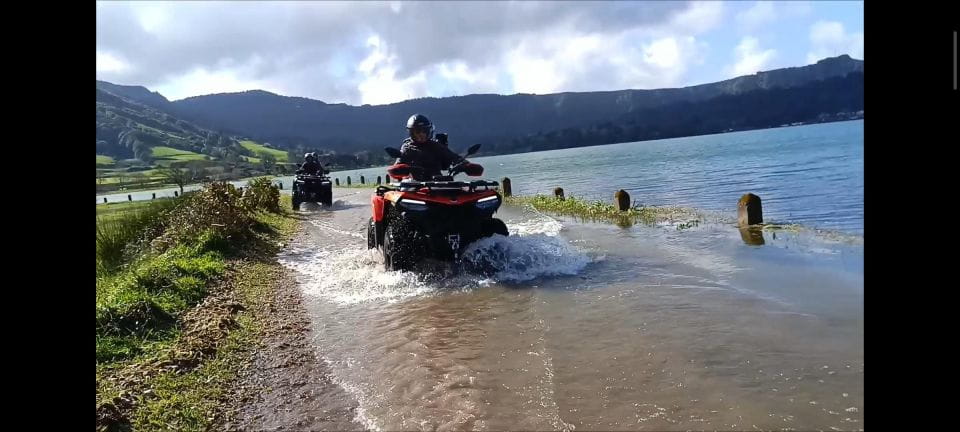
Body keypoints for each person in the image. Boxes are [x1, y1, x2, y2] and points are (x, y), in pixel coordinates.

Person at [395, 114, 465, 180]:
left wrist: (465, 164)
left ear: (429, 131)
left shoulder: (436, 146)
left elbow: (453, 157)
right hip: (413, 186)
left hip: (436, 185)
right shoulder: (407, 147)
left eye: (424, 131)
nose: (421, 134)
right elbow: (396, 168)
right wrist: (403, 169)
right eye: (418, 131)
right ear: (411, 132)